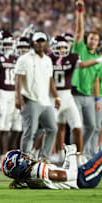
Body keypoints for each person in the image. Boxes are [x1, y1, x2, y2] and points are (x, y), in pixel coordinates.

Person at [48, 35, 102, 164]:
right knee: (51, 128)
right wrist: (54, 96)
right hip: (53, 97)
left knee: (77, 127)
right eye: (59, 47)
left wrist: (98, 60)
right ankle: (44, 153)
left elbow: (82, 64)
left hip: (68, 96)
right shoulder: (48, 59)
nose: (61, 49)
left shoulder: (71, 58)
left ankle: (78, 156)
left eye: (63, 47)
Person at [15, 31, 60, 160]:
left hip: (45, 101)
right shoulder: (24, 59)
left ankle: (43, 158)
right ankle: (24, 158)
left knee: (52, 128)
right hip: (30, 99)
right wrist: (17, 97)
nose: (40, 44)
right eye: (37, 41)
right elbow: (18, 78)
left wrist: (56, 96)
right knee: (30, 132)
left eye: (42, 41)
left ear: (46, 43)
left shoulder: (48, 60)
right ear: (33, 43)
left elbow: (50, 80)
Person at [72, 0, 102, 159]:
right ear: (87, 39)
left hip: (89, 96)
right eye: (91, 38)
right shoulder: (80, 48)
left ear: (98, 43)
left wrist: (97, 98)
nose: (92, 41)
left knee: (92, 126)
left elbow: (96, 80)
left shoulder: (98, 58)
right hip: (75, 94)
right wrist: (80, 11)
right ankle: (73, 154)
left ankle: (86, 154)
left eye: (95, 39)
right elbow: (79, 29)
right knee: (77, 127)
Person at [0, 30, 22, 169]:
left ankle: (5, 157)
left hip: (12, 94)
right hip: (1, 93)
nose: (7, 46)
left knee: (8, 128)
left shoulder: (15, 59)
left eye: (9, 43)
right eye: (5, 44)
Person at [2, 145, 102, 189]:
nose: (27, 156)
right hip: (84, 177)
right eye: (23, 157)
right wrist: (71, 154)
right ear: (20, 164)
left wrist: (67, 157)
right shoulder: (38, 170)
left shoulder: (29, 179)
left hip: (82, 177)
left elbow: (63, 174)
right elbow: (71, 175)